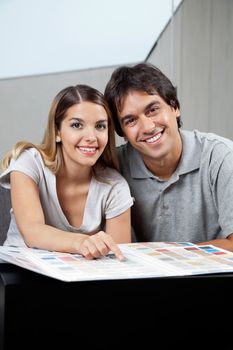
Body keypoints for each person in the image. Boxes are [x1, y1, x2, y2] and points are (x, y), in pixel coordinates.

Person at [104, 62, 233, 251]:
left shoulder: (220, 157)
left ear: (175, 107)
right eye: (131, 120)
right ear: (122, 132)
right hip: (143, 278)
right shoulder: (114, 166)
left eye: (153, 109)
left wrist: (169, 255)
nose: (148, 127)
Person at [0, 84, 134, 260]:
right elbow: (32, 232)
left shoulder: (115, 186)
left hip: (82, 280)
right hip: (19, 277)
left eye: (100, 126)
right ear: (57, 131)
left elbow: (119, 258)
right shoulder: (28, 162)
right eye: (77, 125)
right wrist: (81, 242)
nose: (91, 137)